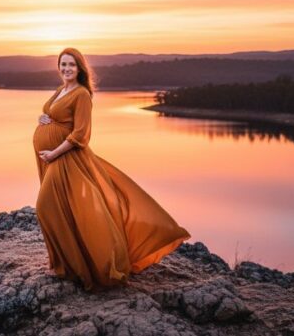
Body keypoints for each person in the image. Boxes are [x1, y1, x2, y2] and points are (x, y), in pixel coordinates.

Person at [33, 47, 191, 290]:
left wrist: (53, 153)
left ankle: (84, 265)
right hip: (53, 158)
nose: (66, 69)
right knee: (64, 208)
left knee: (46, 206)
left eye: (71, 65)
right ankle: (66, 265)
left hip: (66, 158)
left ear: (80, 68)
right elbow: (55, 114)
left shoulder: (82, 94)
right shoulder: (61, 89)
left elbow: (81, 134)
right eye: (63, 64)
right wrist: (43, 118)